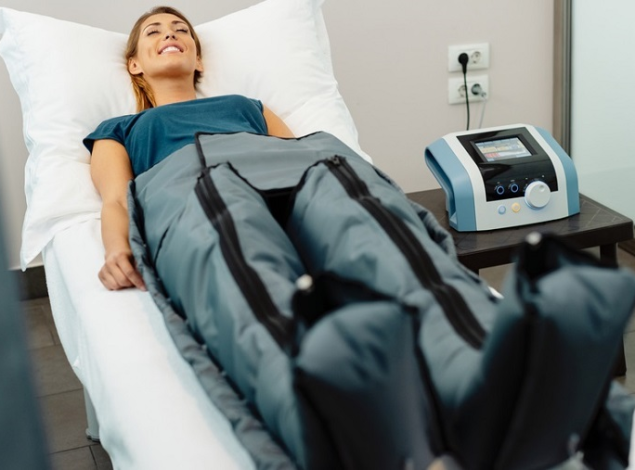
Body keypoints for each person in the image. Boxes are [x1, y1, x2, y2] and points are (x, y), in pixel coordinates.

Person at [85, 6, 294, 291]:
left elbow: (299, 162)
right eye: (153, 32)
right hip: (199, 205)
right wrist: (117, 250)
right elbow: (118, 201)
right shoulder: (119, 129)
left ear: (198, 61)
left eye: (181, 30)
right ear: (134, 65)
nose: (170, 34)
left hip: (270, 195)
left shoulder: (246, 107)